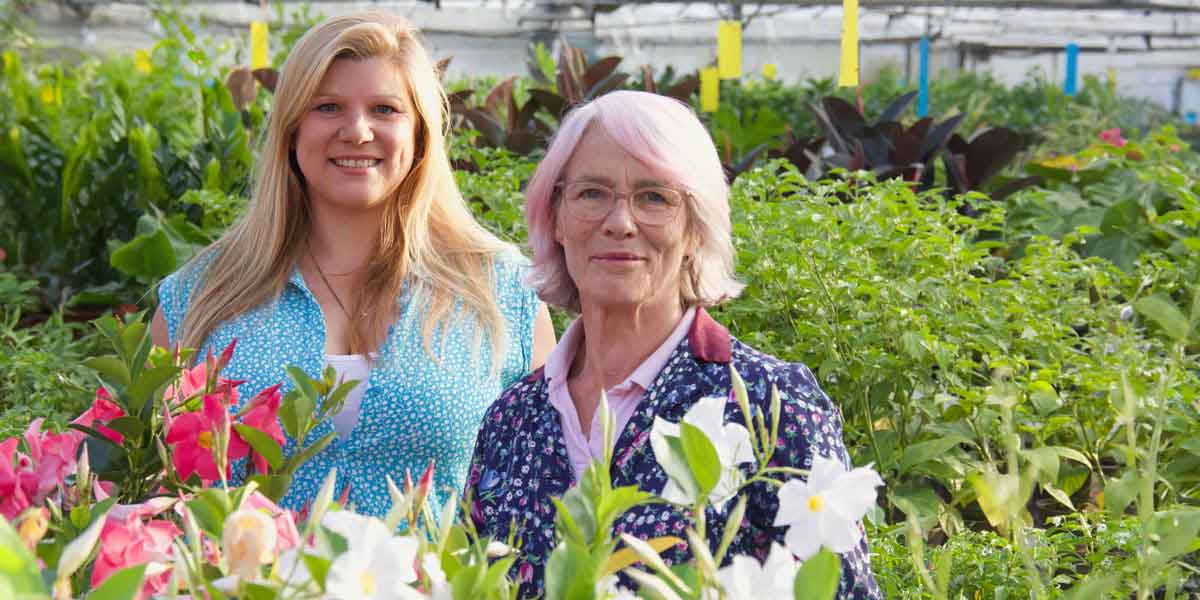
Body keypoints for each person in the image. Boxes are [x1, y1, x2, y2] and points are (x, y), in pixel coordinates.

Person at [465, 91, 880, 598]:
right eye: (592, 194)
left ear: (695, 228)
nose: (620, 222)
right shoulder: (513, 420)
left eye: (654, 197)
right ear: (555, 217)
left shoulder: (770, 403)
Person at [151, 12, 555, 517]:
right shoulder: (202, 297)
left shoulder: (500, 296)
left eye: (384, 109)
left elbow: (542, 498)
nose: (357, 130)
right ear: (292, 131)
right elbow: (145, 487)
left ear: (421, 135)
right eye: (328, 107)